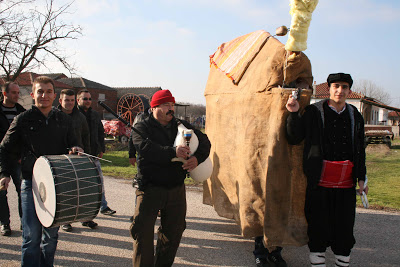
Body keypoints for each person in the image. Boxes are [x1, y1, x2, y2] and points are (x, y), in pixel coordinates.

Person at [285, 73, 368, 267]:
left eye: (344, 87)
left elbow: (359, 150)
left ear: (349, 90)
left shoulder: (355, 115)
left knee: (344, 230)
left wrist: (362, 178)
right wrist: (294, 113)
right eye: (336, 86)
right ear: (329, 88)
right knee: (318, 228)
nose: (340, 91)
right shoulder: (314, 112)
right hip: (319, 183)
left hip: (346, 185)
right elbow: (294, 138)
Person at [0, 76, 83, 266]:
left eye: (48, 92)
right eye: (40, 91)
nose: (44, 95)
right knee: (31, 238)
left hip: (57, 185)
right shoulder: (22, 119)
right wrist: (4, 174)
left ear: (54, 96)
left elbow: (74, 143)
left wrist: (76, 148)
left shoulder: (64, 120)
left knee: (51, 237)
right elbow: (3, 148)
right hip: (30, 183)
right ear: (32, 95)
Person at [130, 89, 211, 266]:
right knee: (142, 234)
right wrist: (172, 152)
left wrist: (197, 159)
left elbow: (205, 141)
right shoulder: (142, 126)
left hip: (176, 189)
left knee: (173, 234)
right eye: (166, 105)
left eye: (172, 104)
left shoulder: (180, 125)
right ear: (154, 107)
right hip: (150, 188)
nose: (171, 108)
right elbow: (145, 148)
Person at [58, 89, 98, 231]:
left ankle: (85, 218)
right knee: (65, 191)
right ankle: (65, 220)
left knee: (82, 190)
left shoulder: (80, 117)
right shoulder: (54, 116)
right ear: (60, 101)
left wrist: (87, 155)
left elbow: (86, 137)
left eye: (71, 100)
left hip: (79, 158)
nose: (69, 103)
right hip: (60, 160)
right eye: (66, 100)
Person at [77, 90, 116, 217]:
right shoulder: (74, 114)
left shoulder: (94, 114)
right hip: (79, 156)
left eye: (89, 99)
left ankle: (103, 206)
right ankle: (77, 214)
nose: (88, 101)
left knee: (99, 182)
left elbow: (100, 132)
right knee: (79, 185)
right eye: (85, 99)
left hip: (94, 153)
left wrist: (101, 149)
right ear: (78, 100)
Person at [0, 82, 26, 236]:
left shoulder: (22, 113)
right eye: (14, 92)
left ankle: (24, 222)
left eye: (18, 92)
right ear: (5, 94)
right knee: (1, 192)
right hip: (1, 158)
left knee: (22, 191)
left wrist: (22, 155)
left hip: (17, 159)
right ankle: (5, 224)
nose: (17, 95)